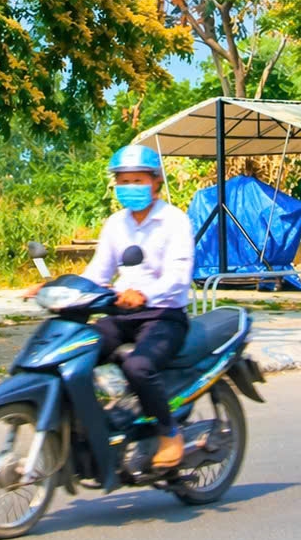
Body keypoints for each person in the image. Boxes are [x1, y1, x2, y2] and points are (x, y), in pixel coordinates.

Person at [26, 143, 195, 469]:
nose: (130, 187)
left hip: (163, 314)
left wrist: (144, 294)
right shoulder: (117, 224)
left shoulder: (174, 221)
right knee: (77, 350)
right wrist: (55, 287)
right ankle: (91, 427)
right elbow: (97, 273)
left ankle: (169, 432)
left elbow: (178, 276)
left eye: (138, 181)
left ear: (155, 182)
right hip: (121, 312)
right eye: (123, 181)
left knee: (138, 367)